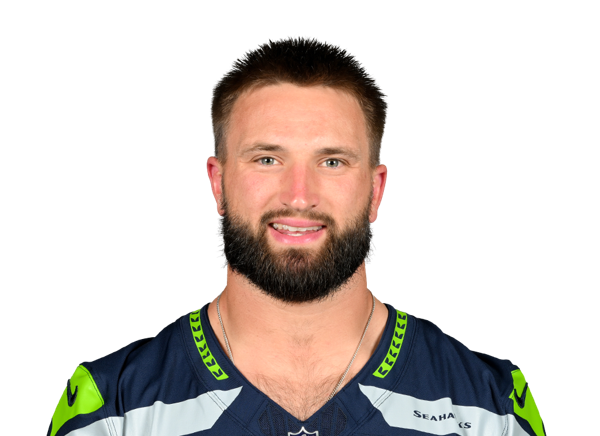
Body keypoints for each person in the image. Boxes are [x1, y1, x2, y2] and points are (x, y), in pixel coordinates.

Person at [48, 37, 545, 436]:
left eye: (332, 161)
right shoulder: (112, 408)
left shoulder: (492, 407)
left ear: (376, 191)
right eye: (267, 159)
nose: (300, 196)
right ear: (218, 184)